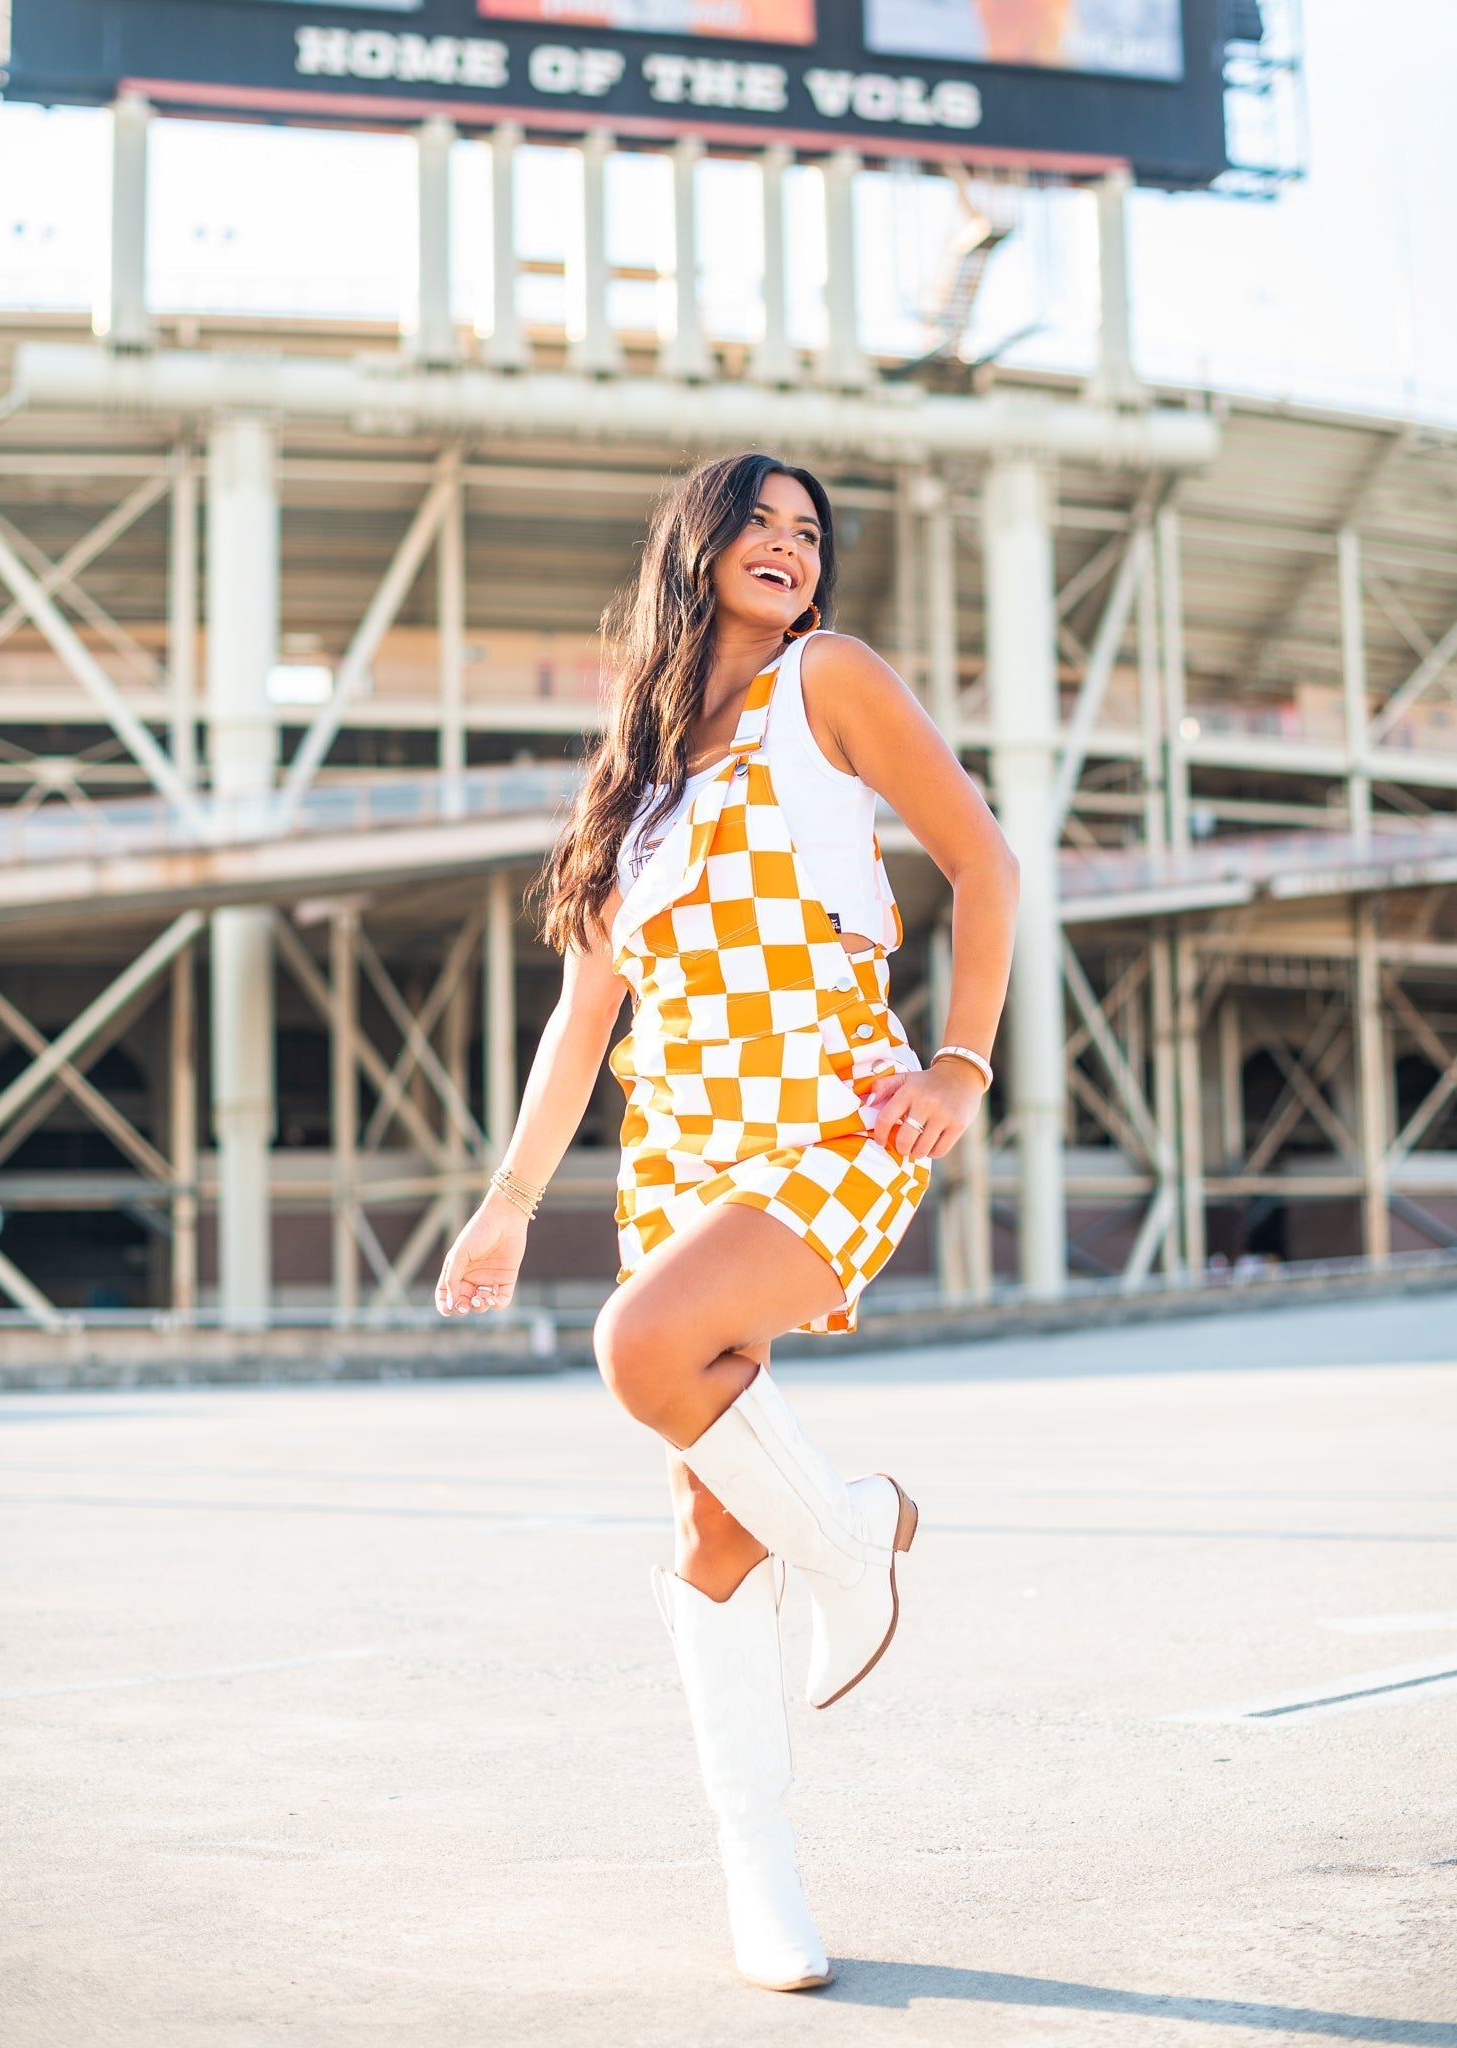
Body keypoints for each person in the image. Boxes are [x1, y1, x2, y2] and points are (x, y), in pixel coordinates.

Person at [436, 453, 1018, 1992]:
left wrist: (960, 1061)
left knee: (638, 1344)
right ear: (692, 549)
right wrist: (504, 1210)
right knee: (704, 1526)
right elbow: (582, 1026)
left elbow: (984, 858)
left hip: (835, 1115)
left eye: (807, 532)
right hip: (679, 1153)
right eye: (757, 523)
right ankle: (763, 1874)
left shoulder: (830, 679)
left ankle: (849, 1543)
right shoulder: (630, 778)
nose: (786, 546)